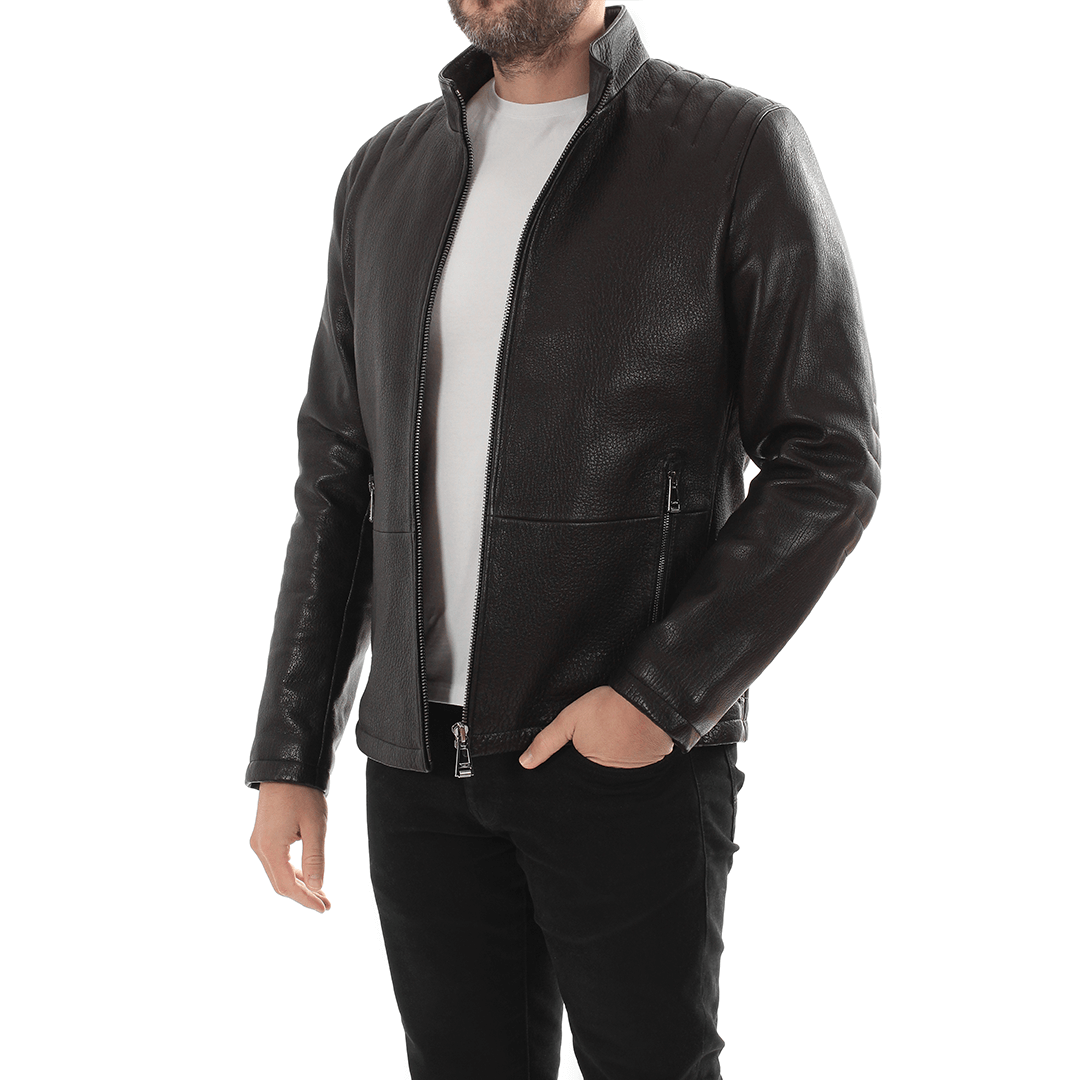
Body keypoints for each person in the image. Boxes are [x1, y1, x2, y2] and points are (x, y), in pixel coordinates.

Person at [247, 1, 881, 1076]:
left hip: (621, 759)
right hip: (418, 766)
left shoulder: (736, 150)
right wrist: (290, 753)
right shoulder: (385, 175)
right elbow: (339, 481)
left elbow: (830, 459)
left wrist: (658, 696)